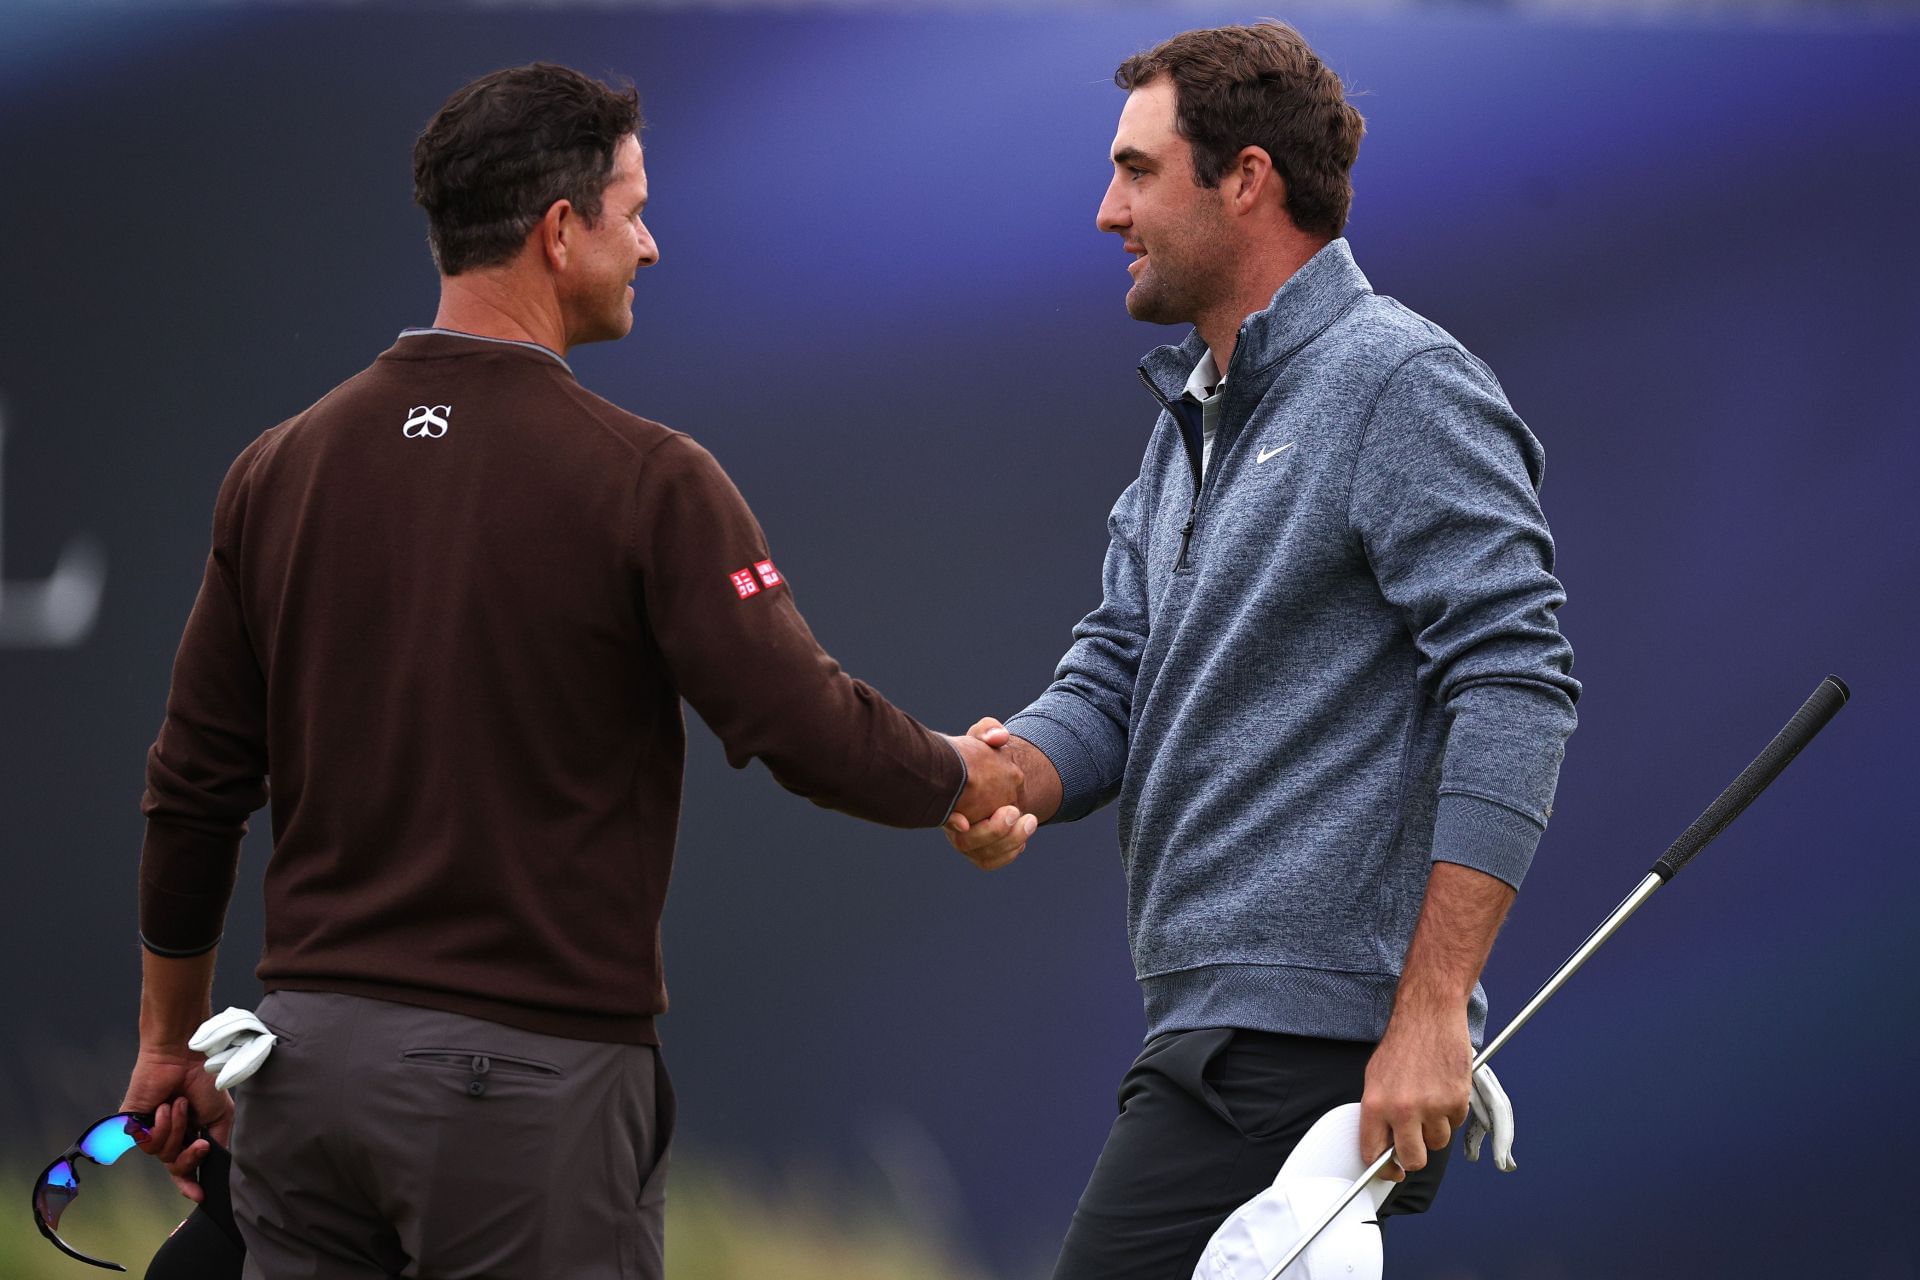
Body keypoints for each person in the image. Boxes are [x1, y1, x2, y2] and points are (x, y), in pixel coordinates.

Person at [120, 62, 1021, 1280]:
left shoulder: (278, 467)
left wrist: (168, 1041)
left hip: (305, 1074)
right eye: (633, 211)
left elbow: (193, 784)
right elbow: (799, 721)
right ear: (559, 232)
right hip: (522, 1086)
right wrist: (957, 774)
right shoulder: (646, 477)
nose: (650, 246)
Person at [944, 22, 1580, 1278]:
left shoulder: (1399, 381)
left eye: (1136, 172)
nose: (1104, 212)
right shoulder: (1187, 417)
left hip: (1314, 1049)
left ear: (1245, 177)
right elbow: (1117, 672)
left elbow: (1516, 680)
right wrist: (1013, 770)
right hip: (1213, 1026)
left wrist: (1433, 1012)